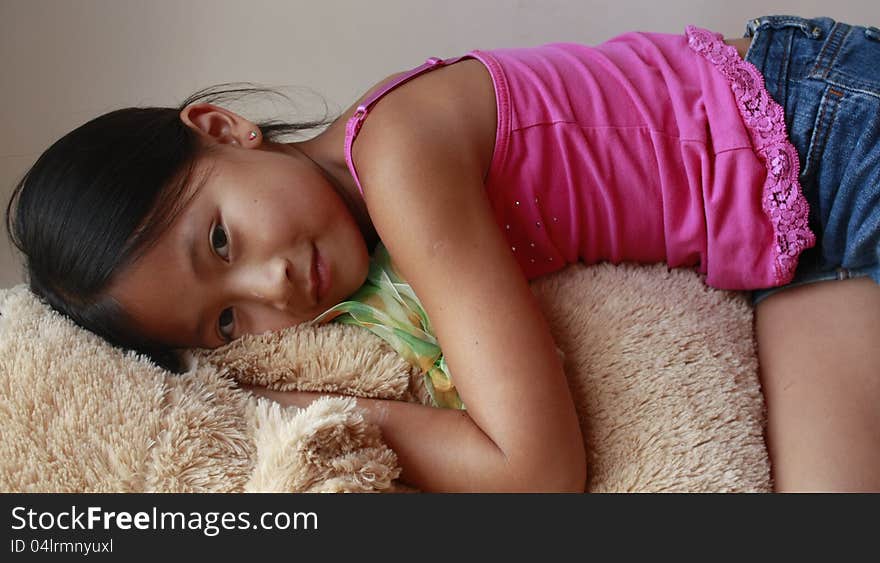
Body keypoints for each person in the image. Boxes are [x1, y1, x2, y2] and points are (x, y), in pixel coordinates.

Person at [5, 14, 879, 492]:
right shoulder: (372, 244)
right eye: (227, 320)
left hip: (829, 126)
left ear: (223, 128)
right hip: (794, 249)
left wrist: (305, 406)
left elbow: (537, 472)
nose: (271, 286)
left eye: (221, 238)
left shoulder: (398, 157)